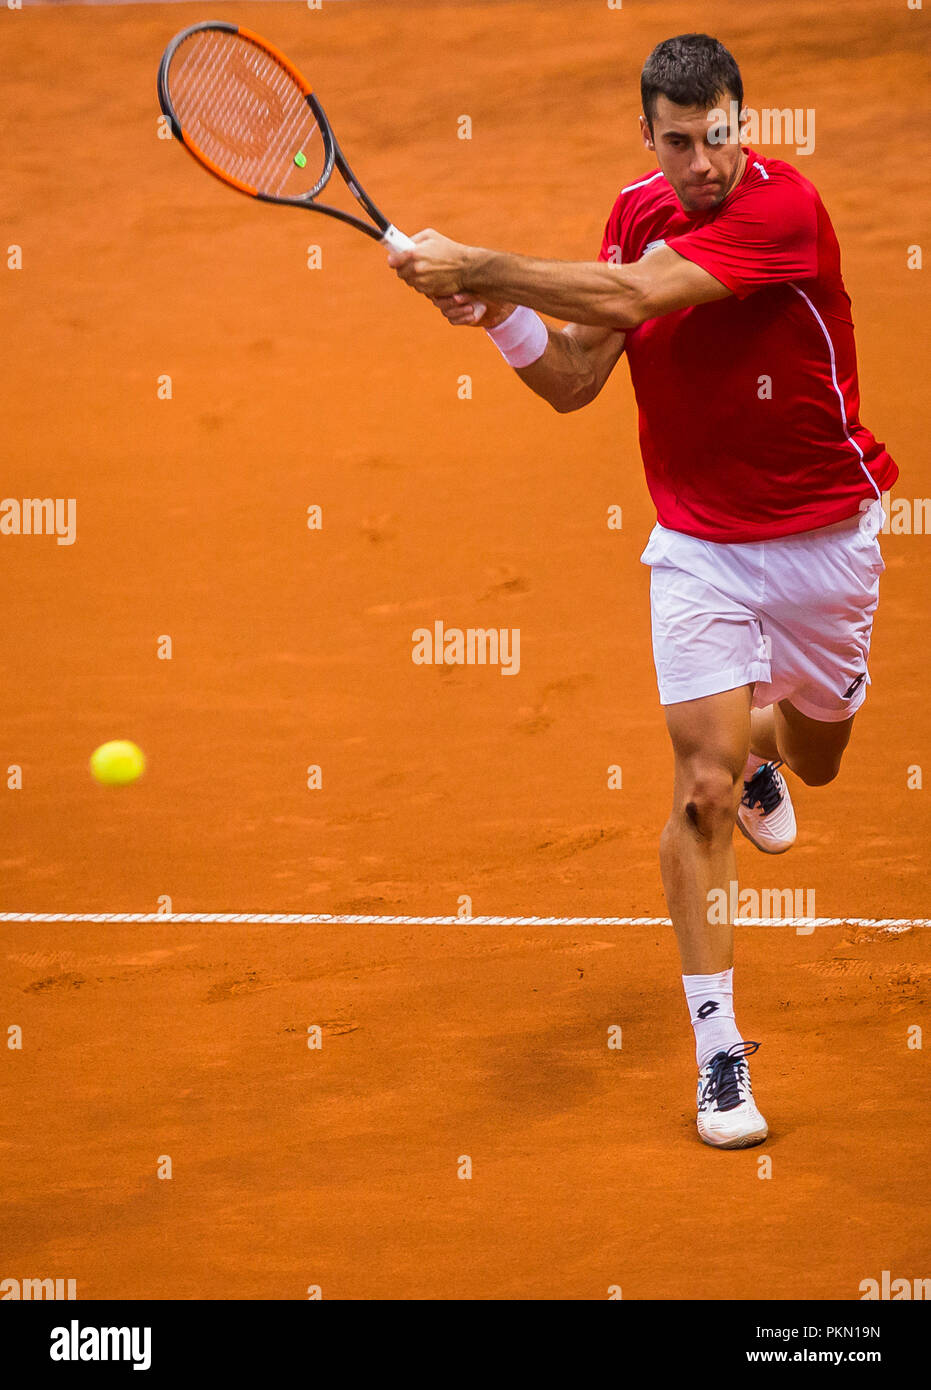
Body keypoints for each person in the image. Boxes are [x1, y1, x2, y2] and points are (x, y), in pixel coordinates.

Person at [388, 33, 898, 1148]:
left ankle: (771, 746)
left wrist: (476, 264)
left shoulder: (782, 208)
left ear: (742, 121)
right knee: (702, 789)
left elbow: (634, 292)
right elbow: (575, 377)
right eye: (680, 141)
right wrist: (495, 319)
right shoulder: (633, 209)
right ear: (649, 137)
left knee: (817, 753)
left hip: (823, 540)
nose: (704, 160)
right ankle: (720, 1057)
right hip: (697, 545)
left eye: (721, 133)